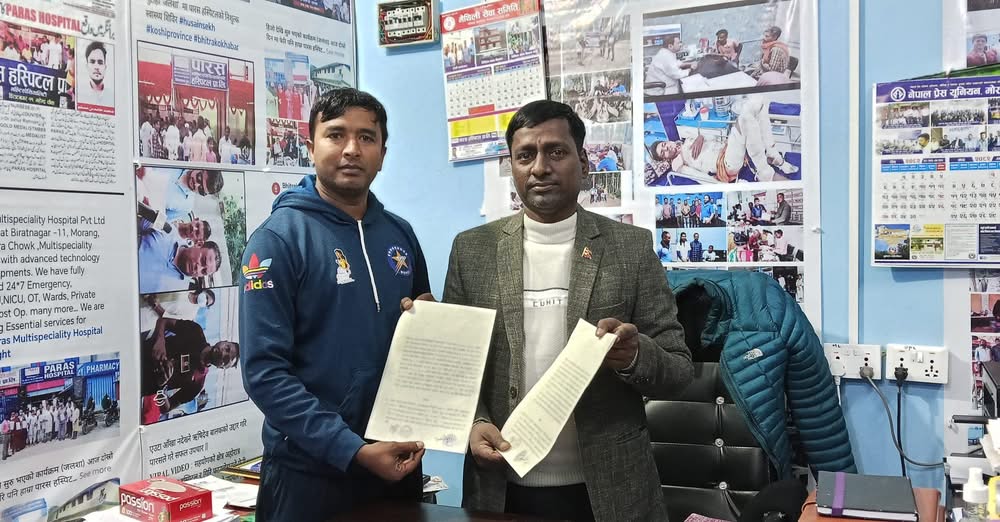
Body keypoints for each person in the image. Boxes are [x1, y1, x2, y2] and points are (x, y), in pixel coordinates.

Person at [410, 100, 692, 521]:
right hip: (500, 488)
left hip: (610, 490)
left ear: (584, 162)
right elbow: (459, 372)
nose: (540, 167)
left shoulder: (630, 248)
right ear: (512, 166)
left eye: (556, 152)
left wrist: (634, 356)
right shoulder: (473, 250)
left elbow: (679, 370)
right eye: (525, 155)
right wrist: (474, 424)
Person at [239, 88, 431, 519]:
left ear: (382, 154)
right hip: (310, 474)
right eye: (336, 134)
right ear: (310, 147)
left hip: (396, 464)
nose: (351, 149)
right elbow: (265, 373)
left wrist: (432, 324)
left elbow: (419, 327)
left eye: (366, 137)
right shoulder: (277, 240)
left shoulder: (400, 234)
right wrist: (351, 449)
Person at [647, 96, 799, 183]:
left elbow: (713, 139)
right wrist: (726, 186)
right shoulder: (677, 164)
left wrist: (701, 137)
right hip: (725, 164)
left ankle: (772, 157)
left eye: (664, 145)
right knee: (745, 118)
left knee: (759, 103)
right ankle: (770, 164)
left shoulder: (686, 139)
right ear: (665, 159)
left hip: (728, 149)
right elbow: (701, 178)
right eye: (663, 152)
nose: (667, 148)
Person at [140, 317, 239, 422]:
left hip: (141, 386)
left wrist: (161, 388)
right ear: (224, 341)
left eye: (226, 359)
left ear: (221, 367)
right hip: (138, 354)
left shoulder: (197, 384)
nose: (223, 353)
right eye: (227, 348)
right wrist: (160, 340)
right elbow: (163, 321)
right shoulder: (195, 331)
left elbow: (166, 408)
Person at [77, 41, 110, 107]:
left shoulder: (111, 96)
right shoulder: (80, 94)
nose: (96, 67)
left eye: (100, 62)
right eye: (92, 62)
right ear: (87, 66)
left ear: (105, 67)